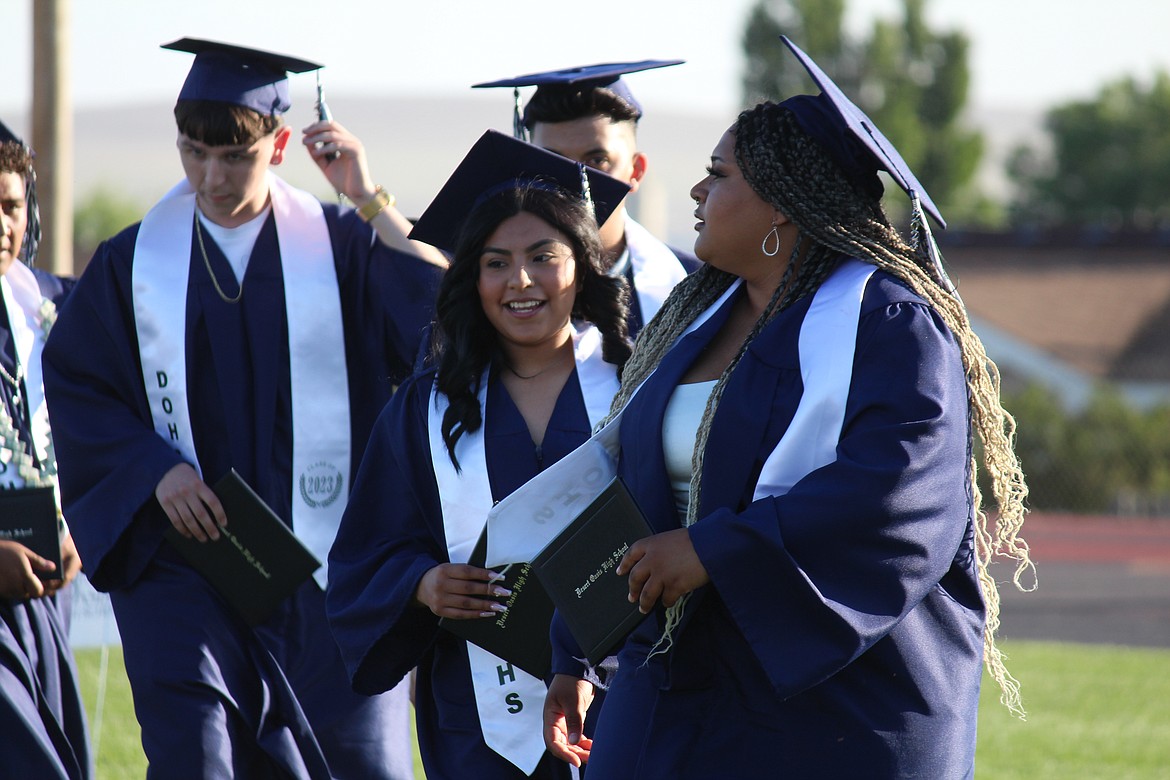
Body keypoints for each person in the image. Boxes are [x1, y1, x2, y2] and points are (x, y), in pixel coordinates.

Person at [542, 37, 1033, 778]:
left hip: (835, 702)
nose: (698, 193)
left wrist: (714, 551)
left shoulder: (889, 324)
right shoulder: (692, 318)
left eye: (719, 175)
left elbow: (896, 502)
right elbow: (629, 484)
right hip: (678, 677)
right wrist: (575, 649)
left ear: (783, 204)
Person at [42, 39, 441, 779]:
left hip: (323, 563)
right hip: (183, 562)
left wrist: (368, 194)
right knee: (195, 758)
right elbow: (78, 384)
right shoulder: (134, 263)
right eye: (195, 153)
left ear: (279, 145)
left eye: (234, 156)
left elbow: (440, 319)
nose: (211, 177)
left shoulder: (341, 245)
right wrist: (153, 471)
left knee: (357, 764)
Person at [326, 130, 632, 779]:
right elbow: (367, 549)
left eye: (542, 256)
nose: (519, 281)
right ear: (472, 277)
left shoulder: (634, 389)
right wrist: (421, 583)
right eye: (495, 262)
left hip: (623, 698)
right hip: (477, 713)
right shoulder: (425, 408)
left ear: (580, 261)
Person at [475, 62, 701, 337]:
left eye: (597, 161)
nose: (574, 180)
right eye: (552, 161)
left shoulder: (695, 288)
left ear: (636, 171)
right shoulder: (487, 292)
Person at [1, 118, 91, 779]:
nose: (0, 225)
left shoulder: (47, 306)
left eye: (8, 205)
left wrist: (81, 524)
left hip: (40, 590)